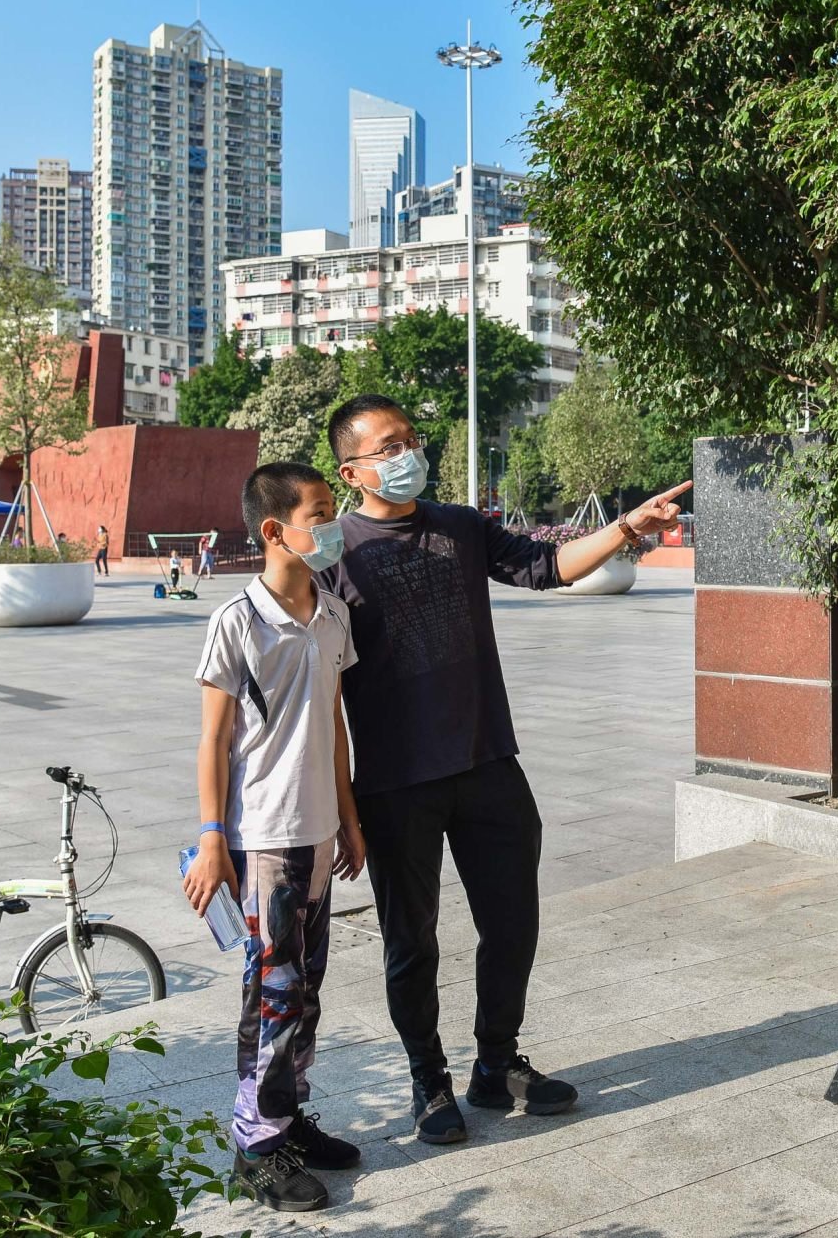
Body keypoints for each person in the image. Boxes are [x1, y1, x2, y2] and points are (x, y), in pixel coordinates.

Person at [317, 394, 688, 1145]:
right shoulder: (331, 554)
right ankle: (430, 1080)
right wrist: (342, 808)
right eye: (388, 445)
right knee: (411, 942)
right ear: (351, 468)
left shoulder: (457, 524)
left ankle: (495, 1061)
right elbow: (317, 685)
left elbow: (547, 565)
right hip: (395, 781)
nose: (406, 454)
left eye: (411, 439)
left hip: (487, 759)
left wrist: (624, 528)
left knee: (513, 921)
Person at [184, 462, 367, 1214]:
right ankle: (255, 1148)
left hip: (319, 833)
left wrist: (350, 821)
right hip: (263, 838)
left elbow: (332, 722)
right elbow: (212, 740)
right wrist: (211, 839)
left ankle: (288, 1117)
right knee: (273, 993)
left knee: (307, 989)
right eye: (321, 512)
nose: (333, 523)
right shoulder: (238, 621)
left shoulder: (332, 612)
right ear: (274, 529)